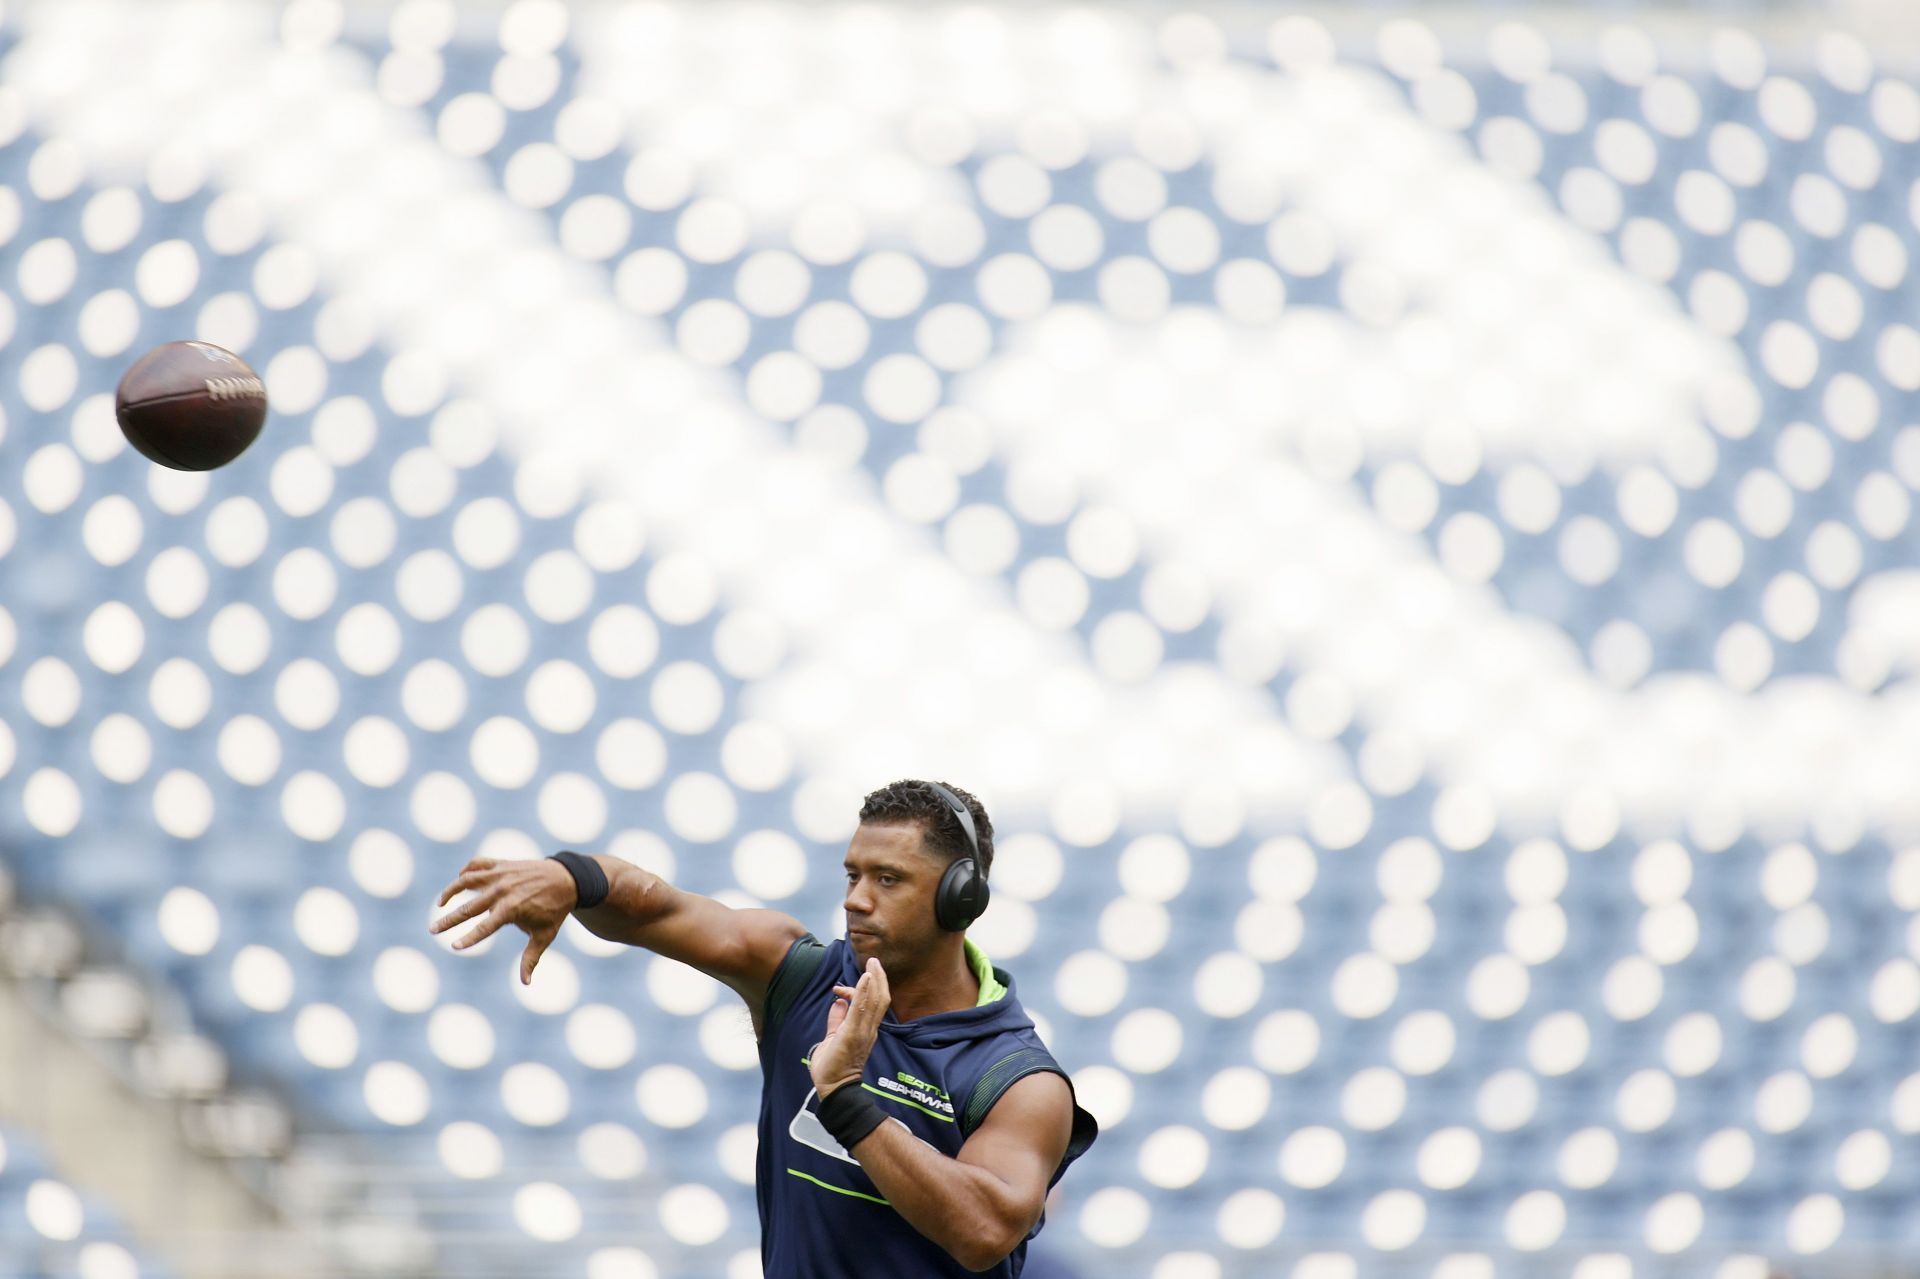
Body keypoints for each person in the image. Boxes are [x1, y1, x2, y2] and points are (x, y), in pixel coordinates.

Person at [430, 778, 1098, 1278]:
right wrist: (571, 878)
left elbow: (982, 1229)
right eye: (853, 873)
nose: (855, 897)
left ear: (961, 896)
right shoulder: (796, 972)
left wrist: (844, 1097)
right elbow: (654, 908)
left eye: (888, 878)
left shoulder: (1020, 1081)